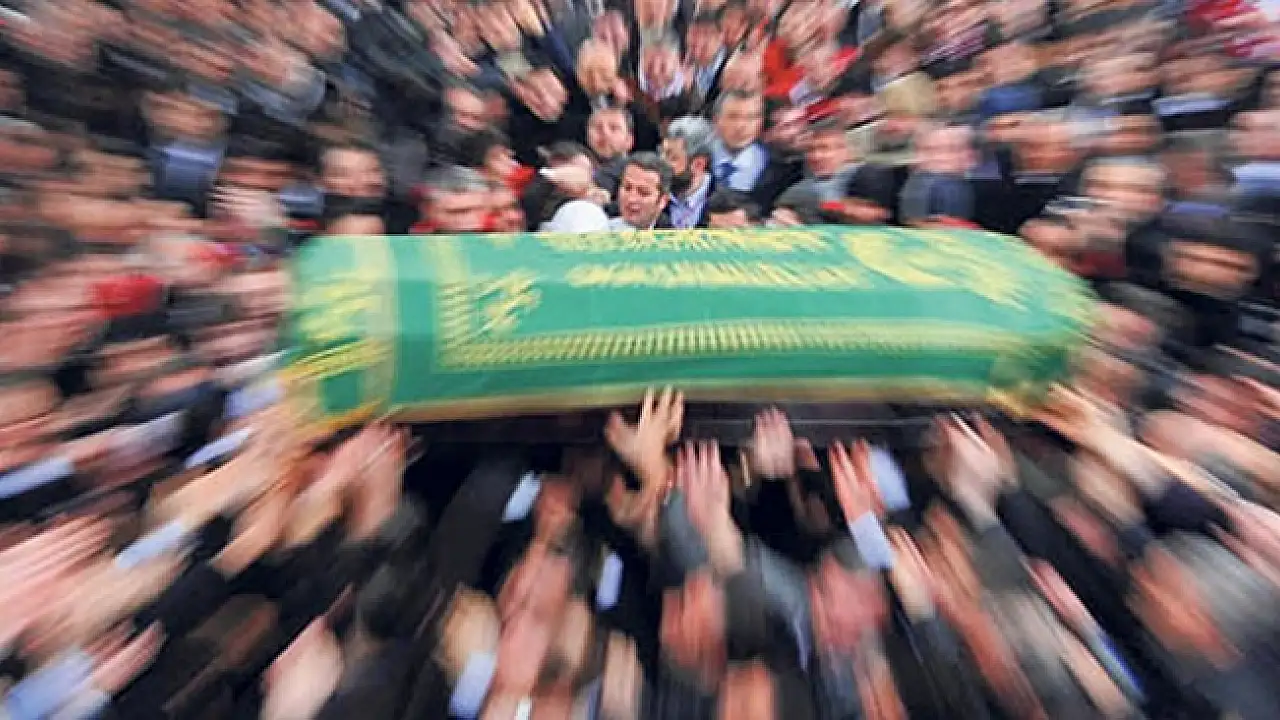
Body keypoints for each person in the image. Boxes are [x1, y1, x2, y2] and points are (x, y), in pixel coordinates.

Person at [609, 151, 673, 230]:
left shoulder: (671, 235)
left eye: (643, 193)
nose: (631, 199)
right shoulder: (603, 218)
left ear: (663, 201)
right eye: (627, 188)